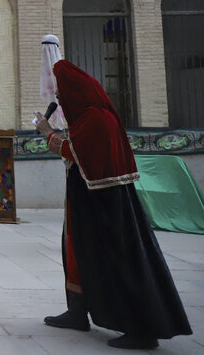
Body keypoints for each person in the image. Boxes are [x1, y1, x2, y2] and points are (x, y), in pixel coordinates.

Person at [35, 60, 191, 350]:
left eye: (61, 92)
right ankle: (78, 312)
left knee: (120, 261)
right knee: (78, 254)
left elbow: (77, 151)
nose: (60, 99)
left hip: (107, 208)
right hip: (91, 203)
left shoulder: (95, 118)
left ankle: (142, 329)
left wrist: (49, 134)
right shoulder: (90, 116)